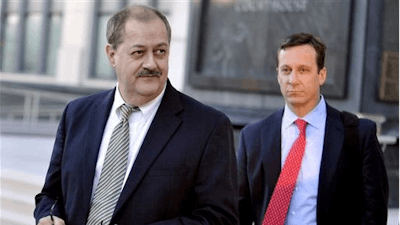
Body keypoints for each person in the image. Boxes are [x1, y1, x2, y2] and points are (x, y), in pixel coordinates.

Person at [34, 5, 238, 225]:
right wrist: (48, 215)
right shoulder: (76, 113)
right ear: (112, 55)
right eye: (139, 52)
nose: (151, 63)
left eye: (160, 51)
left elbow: (219, 218)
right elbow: (52, 193)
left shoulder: (208, 127)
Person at [237, 33, 388, 225]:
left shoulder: (358, 135)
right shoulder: (252, 137)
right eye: (286, 70)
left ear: (321, 75)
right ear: (278, 75)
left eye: (303, 70)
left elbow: (374, 215)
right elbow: (238, 212)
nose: (292, 79)